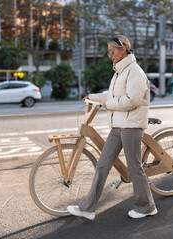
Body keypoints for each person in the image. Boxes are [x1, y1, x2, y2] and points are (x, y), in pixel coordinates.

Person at [67, 35, 157, 220]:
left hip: (131, 126)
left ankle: (147, 207)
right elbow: (111, 95)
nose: (110, 55)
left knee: (134, 167)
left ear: (123, 50)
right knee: (102, 165)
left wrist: (108, 105)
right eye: (109, 51)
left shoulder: (135, 72)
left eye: (112, 51)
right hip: (118, 126)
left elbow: (131, 100)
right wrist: (92, 97)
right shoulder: (119, 72)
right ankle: (88, 208)